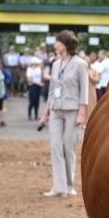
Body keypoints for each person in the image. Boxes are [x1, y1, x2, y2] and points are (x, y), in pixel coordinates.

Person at [39, 30, 89, 198]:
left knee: (69, 148)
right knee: (55, 146)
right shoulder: (55, 64)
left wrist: (82, 112)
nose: (55, 44)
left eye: (57, 41)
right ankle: (58, 187)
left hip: (73, 110)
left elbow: (84, 89)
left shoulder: (80, 64)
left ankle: (69, 185)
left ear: (65, 44)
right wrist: (45, 113)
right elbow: (52, 90)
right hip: (55, 109)